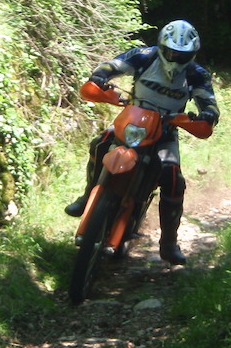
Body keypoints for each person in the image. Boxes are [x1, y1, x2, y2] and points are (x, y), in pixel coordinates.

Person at [65, 20, 220, 266]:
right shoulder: (144, 56)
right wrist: (101, 75)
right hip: (133, 118)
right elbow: (115, 64)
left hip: (166, 130)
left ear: (192, 54)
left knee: (172, 178)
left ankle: (169, 242)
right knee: (100, 143)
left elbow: (207, 100)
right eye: (171, 52)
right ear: (161, 46)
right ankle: (87, 196)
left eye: (182, 54)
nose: (176, 57)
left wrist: (209, 114)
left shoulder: (196, 74)